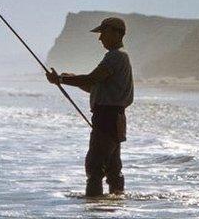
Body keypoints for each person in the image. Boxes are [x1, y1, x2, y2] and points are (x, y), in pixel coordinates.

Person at [46, 17, 134, 197]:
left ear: (117, 33)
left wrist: (61, 80)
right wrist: (71, 80)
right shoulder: (119, 56)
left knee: (94, 167)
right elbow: (94, 86)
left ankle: (94, 208)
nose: (100, 38)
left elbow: (91, 79)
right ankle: (114, 206)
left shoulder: (115, 56)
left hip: (107, 118)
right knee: (112, 168)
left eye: (103, 33)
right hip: (114, 118)